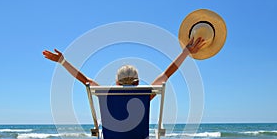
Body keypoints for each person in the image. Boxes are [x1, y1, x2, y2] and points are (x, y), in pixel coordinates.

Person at [43, 37, 205, 98]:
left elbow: (84, 79)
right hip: (139, 137)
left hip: (113, 137)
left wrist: (62, 62)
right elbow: (167, 74)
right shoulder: (145, 95)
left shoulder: (108, 96)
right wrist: (185, 52)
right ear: (137, 82)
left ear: (117, 82)